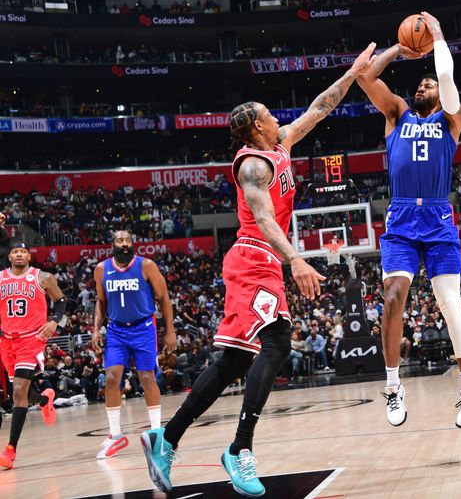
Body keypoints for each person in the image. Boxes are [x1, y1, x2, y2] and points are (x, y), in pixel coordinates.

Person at [140, 42, 377, 496]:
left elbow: (320, 108)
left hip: (261, 261)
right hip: (253, 258)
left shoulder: (282, 142)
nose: (276, 117)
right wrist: (295, 258)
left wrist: (353, 73)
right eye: (268, 113)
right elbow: (265, 218)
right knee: (277, 343)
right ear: (254, 126)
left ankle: (166, 439)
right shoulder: (252, 164)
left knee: (234, 360)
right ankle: (240, 449)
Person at [357, 12, 461, 428]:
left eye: (426, 83)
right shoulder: (397, 114)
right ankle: (393, 384)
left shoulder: (451, 119)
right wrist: (399, 49)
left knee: (449, 303)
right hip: (402, 216)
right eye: (420, 83)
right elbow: (366, 79)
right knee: (393, 297)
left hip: (439, 217)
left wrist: (440, 34)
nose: (421, 85)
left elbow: (446, 78)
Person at [92, 230, 177, 459]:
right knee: (111, 378)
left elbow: (164, 298)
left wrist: (170, 331)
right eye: (120, 240)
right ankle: (116, 436)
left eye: (129, 240)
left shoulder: (146, 265)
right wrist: (95, 330)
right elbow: (100, 303)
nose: (125, 244)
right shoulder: (101, 269)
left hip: (143, 328)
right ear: (113, 244)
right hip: (117, 329)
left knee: (147, 377)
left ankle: (157, 432)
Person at [0, 240, 63, 470]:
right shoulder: (0, 278)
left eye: (23, 252)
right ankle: (46, 399)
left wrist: (55, 321)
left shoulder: (43, 277)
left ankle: (10, 450)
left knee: (18, 391)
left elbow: (61, 301)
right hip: (7, 341)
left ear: (29, 256)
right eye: (15, 251)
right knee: (22, 393)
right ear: (9, 257)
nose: (19, 255)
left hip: (31, 339)